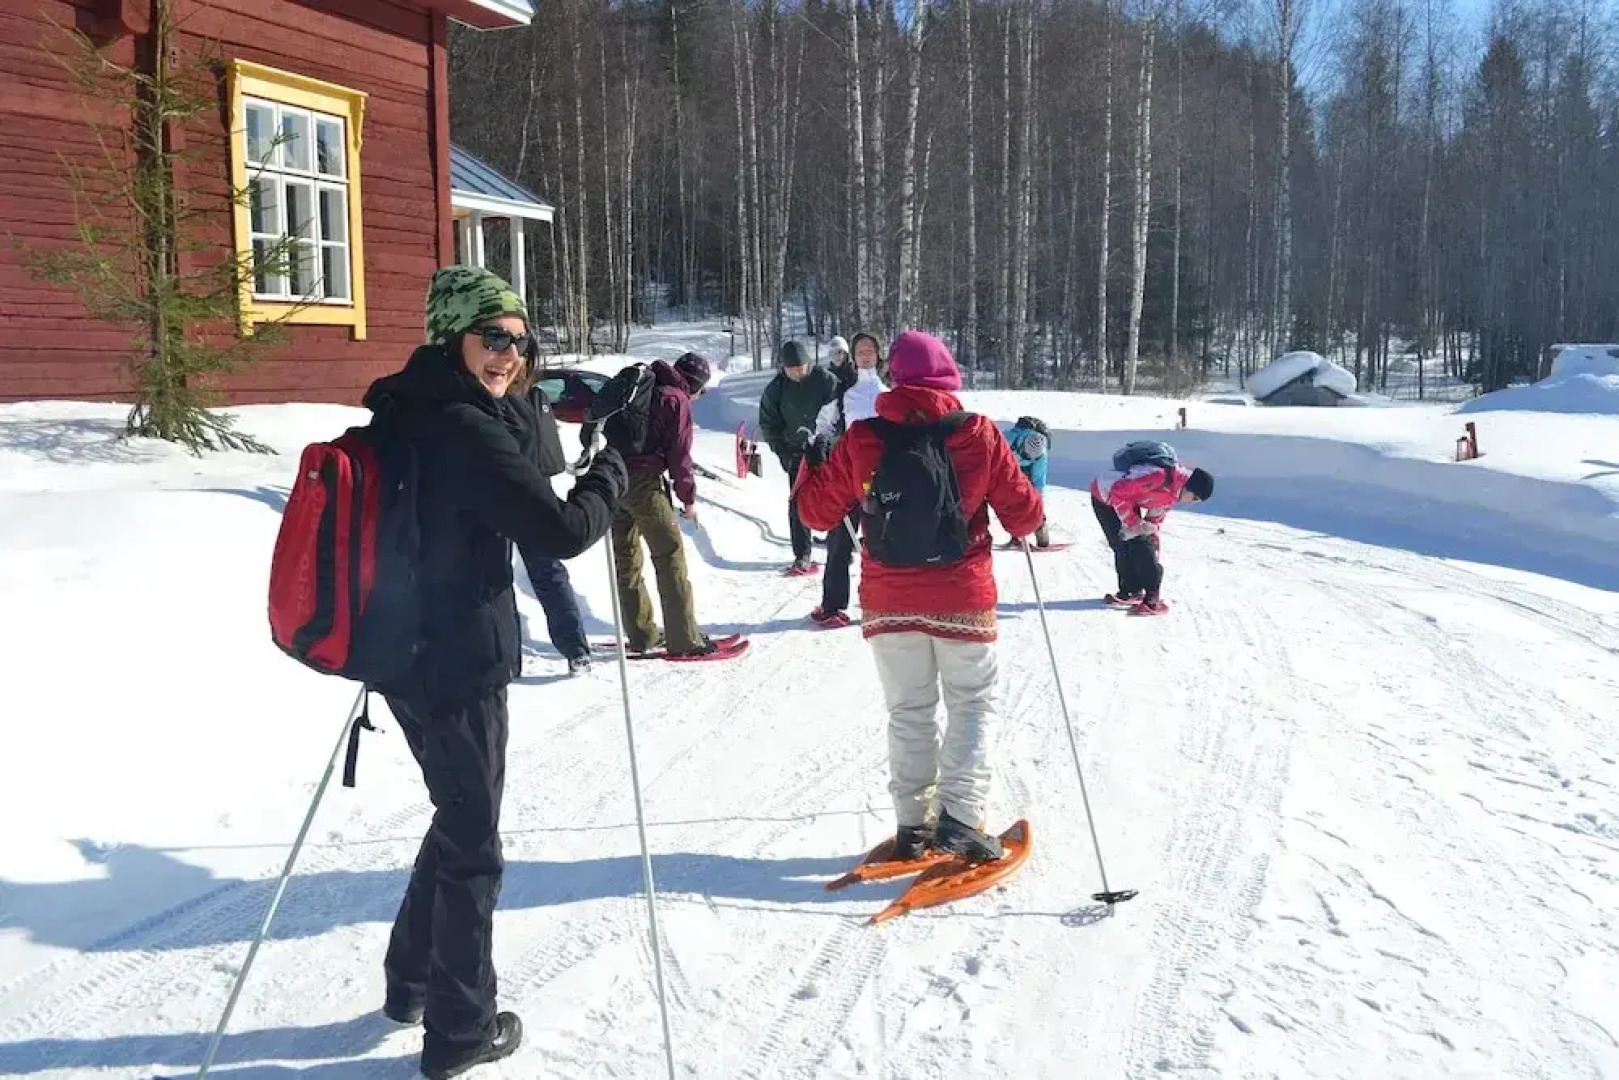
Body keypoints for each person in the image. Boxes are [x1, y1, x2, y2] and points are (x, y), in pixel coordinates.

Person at [362, 266, 627, 1079]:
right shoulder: (461, 426)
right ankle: (458, 1032)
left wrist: (543, 404)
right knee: (474, 844)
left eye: (518, 338)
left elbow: (524, 454)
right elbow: (555, 529)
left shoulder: (409, 401)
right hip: (456, 657)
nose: (508, 353)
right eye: (492, 337)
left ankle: (411, 984)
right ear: (454, 335)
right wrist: (613, 471)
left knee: (455, 814)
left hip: (401, 648)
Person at [796, 331, 1044, 863]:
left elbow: (815, 513)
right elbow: (1026, 516)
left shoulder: (863, 437)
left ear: (895, 378)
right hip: (962, 594)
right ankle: (959, 816)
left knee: (908, 709)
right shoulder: (977, 433)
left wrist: (810, 464)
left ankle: (913, 825)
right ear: (948, 378)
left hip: (888, 598)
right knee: (972, 702)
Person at [611, 351, 721, 657]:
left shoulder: (643, 385)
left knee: (626, 559)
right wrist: (688, 499)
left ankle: (641, 634)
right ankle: (684, 639)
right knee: (669, 554)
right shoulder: (677, 399)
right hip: (644, 483)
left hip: (611, 476)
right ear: (696, 386)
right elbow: (680, 457)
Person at [513, 363, 594, 675]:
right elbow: (551, 456)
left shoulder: (504, 400)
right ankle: (575, 649)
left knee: (531, 573)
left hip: (509, 492)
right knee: (548, 573)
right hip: (537, 493)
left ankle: (571, 648)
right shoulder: (537, 397)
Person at [807, 332, 886, 626]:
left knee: (881, 542)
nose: (865, 355)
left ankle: (881, 604)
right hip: (848, 474)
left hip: (883, 477)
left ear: (879, 355)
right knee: (839, 540)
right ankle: (833, 605)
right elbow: (825, 424)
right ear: (853, 355)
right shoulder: (843, 393)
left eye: (870, 350)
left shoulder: (888, 393)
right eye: (860, 351)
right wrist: (820, 444)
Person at [1090, 444, 1214, 614]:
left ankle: (1144, 593)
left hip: (1125, 501)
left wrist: (1150, 537)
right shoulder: (1159, 476)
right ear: (1189, 487)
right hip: (1103, 495)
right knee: (1121, 543)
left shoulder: (1172, 496)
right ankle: (1134, 591)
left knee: (1140, 542)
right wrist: (1133, 523)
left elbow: (1153, 526)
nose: (1191, 502)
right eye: (1194, 498)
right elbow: (1119, 491)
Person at [757, 339, 840, 575]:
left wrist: (829, 444)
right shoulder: (776, 389)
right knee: (798, 505)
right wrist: (783, 454)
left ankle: (838, 549)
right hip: (797, 455)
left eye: (801, 367)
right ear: (784, 368)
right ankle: (802, 554)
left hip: (827, 453)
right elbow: (769, 425)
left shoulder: (825, 381)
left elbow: (839, 415)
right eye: (791, 368)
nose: (797, 371)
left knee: (835, 500)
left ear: (809, 363)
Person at [1003, 416, 1052, 548]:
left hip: (1027, 469)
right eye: (1026, 455)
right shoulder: (1006, 440)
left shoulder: (1041, 456)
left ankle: (1042, 538)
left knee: (1033, 500)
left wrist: (1037, 500)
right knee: (1012, 500)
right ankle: (1016, 536)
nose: (1028, 457)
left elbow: (1038, 481)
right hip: (1006, 466)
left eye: (1032, 457)